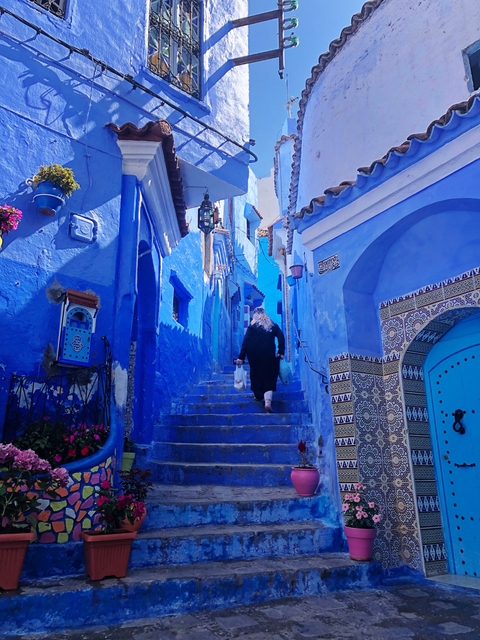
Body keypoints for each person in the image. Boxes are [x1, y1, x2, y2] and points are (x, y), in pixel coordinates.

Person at [235, 307, 285, 413]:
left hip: (253, 355)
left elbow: (246, 341)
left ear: (255, 315)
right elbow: (281, 337)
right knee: (270, 376)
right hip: (268, 354)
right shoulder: (272, 325)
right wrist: (281, 351)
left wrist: (241, 357)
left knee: (256, 374)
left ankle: (258, 396)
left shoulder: (252, 326)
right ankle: (267, 402)